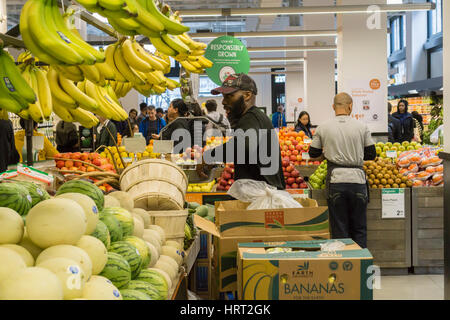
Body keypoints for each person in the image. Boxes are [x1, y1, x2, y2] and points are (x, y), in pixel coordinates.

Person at [309, 93, 376, 249]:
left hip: (335, 181)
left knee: (339, 229)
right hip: (358, 181)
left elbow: (312, 153)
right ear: (350, 106)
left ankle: (345, 267)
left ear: (333, 107)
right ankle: (360, 266)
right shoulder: (362, 126)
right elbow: (371, 154)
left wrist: (327, 154)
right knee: (359, 228)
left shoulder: (323, 127)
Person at [203, 73, 285, 190]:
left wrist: (207, 157)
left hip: (261, 196)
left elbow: (242, 147)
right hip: (259, 192)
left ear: (247, 95)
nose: (223, 102)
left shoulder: (251, 117)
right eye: (223, 96)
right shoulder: (251, 117)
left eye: (229, 96)